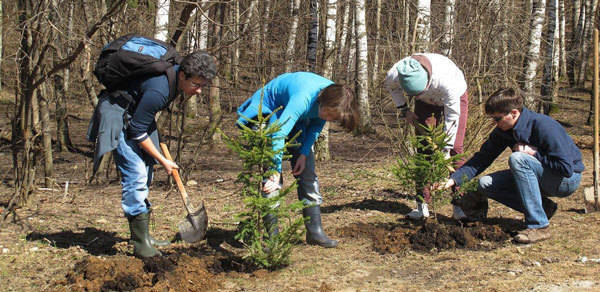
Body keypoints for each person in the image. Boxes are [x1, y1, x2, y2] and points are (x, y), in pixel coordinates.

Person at [88, 51, 217, 257]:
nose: (200, 91)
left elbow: (141, 119)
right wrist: (163, 160)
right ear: (182, 75)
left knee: (146, 174)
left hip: (134, 116)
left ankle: (144, 237)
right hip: (117, 115)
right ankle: (141, 245)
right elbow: (136, 131)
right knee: (137, 174)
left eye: (203, 85)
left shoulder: (173, 80)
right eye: (196, 85)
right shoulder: (161, 90)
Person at [442, 88, 584, 244]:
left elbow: (566, 168)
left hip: (565, 180)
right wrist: (454, 180)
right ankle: (543, 208)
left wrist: (534, 154)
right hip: (542, 175)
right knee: (485, 184)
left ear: (514, 113)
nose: (494, 123)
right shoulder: (503, 131)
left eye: (497, 119)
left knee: (518, 159)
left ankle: (539, 226)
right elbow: (481, 159)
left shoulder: (544, 126)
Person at [236, 72, 359, 248]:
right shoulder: (304, 98)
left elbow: (317, 124)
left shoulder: (337, 96)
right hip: (268, 112)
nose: (330, 120)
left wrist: (302, 153)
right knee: (271, 181)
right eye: (330, 114)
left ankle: (315, 232)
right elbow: (278, 134)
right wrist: (274, 171)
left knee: (308, 173)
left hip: (296, 120)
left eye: (334, 118)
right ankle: (272, 239)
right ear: (322, 102)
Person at [384, 53, 469, 220]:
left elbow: (452, 119)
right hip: (425, 103)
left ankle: (460, 205)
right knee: (424, 148)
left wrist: (445, 150)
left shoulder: (448, 81)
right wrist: (404, 109)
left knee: (456, 149)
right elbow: (392, 88)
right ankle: (422, 205)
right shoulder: (395, 74)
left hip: (454, 98)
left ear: (428, 80)